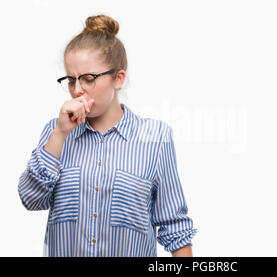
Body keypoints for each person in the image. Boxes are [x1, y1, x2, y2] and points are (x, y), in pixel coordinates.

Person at [18, 14, 197, 257]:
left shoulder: (155, 138)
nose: (77, 89)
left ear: (118, 78)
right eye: (71, 80)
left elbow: (174, 226)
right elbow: (31, 199)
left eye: (88, 79)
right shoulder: (55, 133)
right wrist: (60, 134)